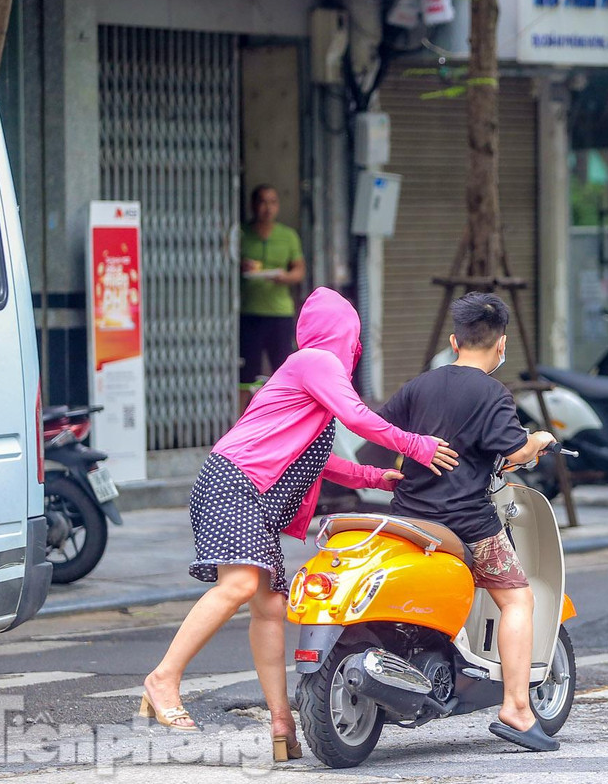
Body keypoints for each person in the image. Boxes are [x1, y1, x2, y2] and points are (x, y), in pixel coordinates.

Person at [141, 288, 460, 762]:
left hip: (251, 494)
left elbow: (316, 459)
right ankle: (163, 678)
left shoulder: (309, 377)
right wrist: (417, 445)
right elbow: (358, 418)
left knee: (270, 607)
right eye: (353, 338)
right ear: (345, 335)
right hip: (235, 484)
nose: (354, 349)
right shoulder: (315, 362)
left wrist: (374, 477)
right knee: (240, 585)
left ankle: (281, 722)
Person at [378, 292, 561, 753]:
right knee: (517, 599)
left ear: (454, 341)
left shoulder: (420, 385)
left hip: (406, 518)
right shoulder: (493, 392)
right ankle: (516, 709)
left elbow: (381, 434)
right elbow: (515, 449)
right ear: (502, 345)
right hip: (467, 523)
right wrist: (539, 438)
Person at [240, 184, 306, 413]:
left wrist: (284, 277)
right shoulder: (242, 234)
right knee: (246, 374)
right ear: (253, 205)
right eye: (262, 202)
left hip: (279, 314)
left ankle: (284, 417)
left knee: (283, 370)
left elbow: (299, 271)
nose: (267, 208)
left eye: (273, 202)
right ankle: (242, 420)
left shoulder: (288, 236)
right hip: (249, 313)